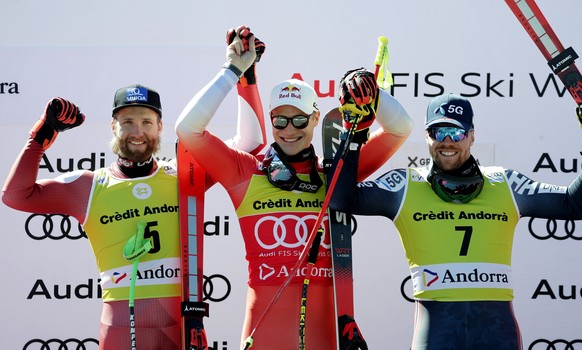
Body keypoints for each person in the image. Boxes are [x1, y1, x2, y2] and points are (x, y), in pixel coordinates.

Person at [2, 32, 267, 350]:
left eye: (146, 121)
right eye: (127, 122)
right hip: (118, 330)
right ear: (113, 127)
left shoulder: (183, 174)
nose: (137, 131)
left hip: (182, 328)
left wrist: (245, 76)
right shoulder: (89, 185)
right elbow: (16, 195)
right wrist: (42, 135)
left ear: (160, 127)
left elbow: (249, 145)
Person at [175, 26, 413, 349]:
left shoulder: (336, 174)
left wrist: (374, 93)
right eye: (280, 120)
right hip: (261, 337)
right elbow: (187, 129)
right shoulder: (245, 172)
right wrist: (232, 70)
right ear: (271, 120)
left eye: (299, 120)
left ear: (316, 119)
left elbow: (400, 129)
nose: (289, 130)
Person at [329, 93, 582, 350]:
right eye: (438, 132)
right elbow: (341, 200)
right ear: (427, 136)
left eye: (456, 132)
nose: (447, 141)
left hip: (496, 332)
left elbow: (574, 204)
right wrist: (355, 131)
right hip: (437, 333)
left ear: (472, 135)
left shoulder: (504, 183)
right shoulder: (405, 185)